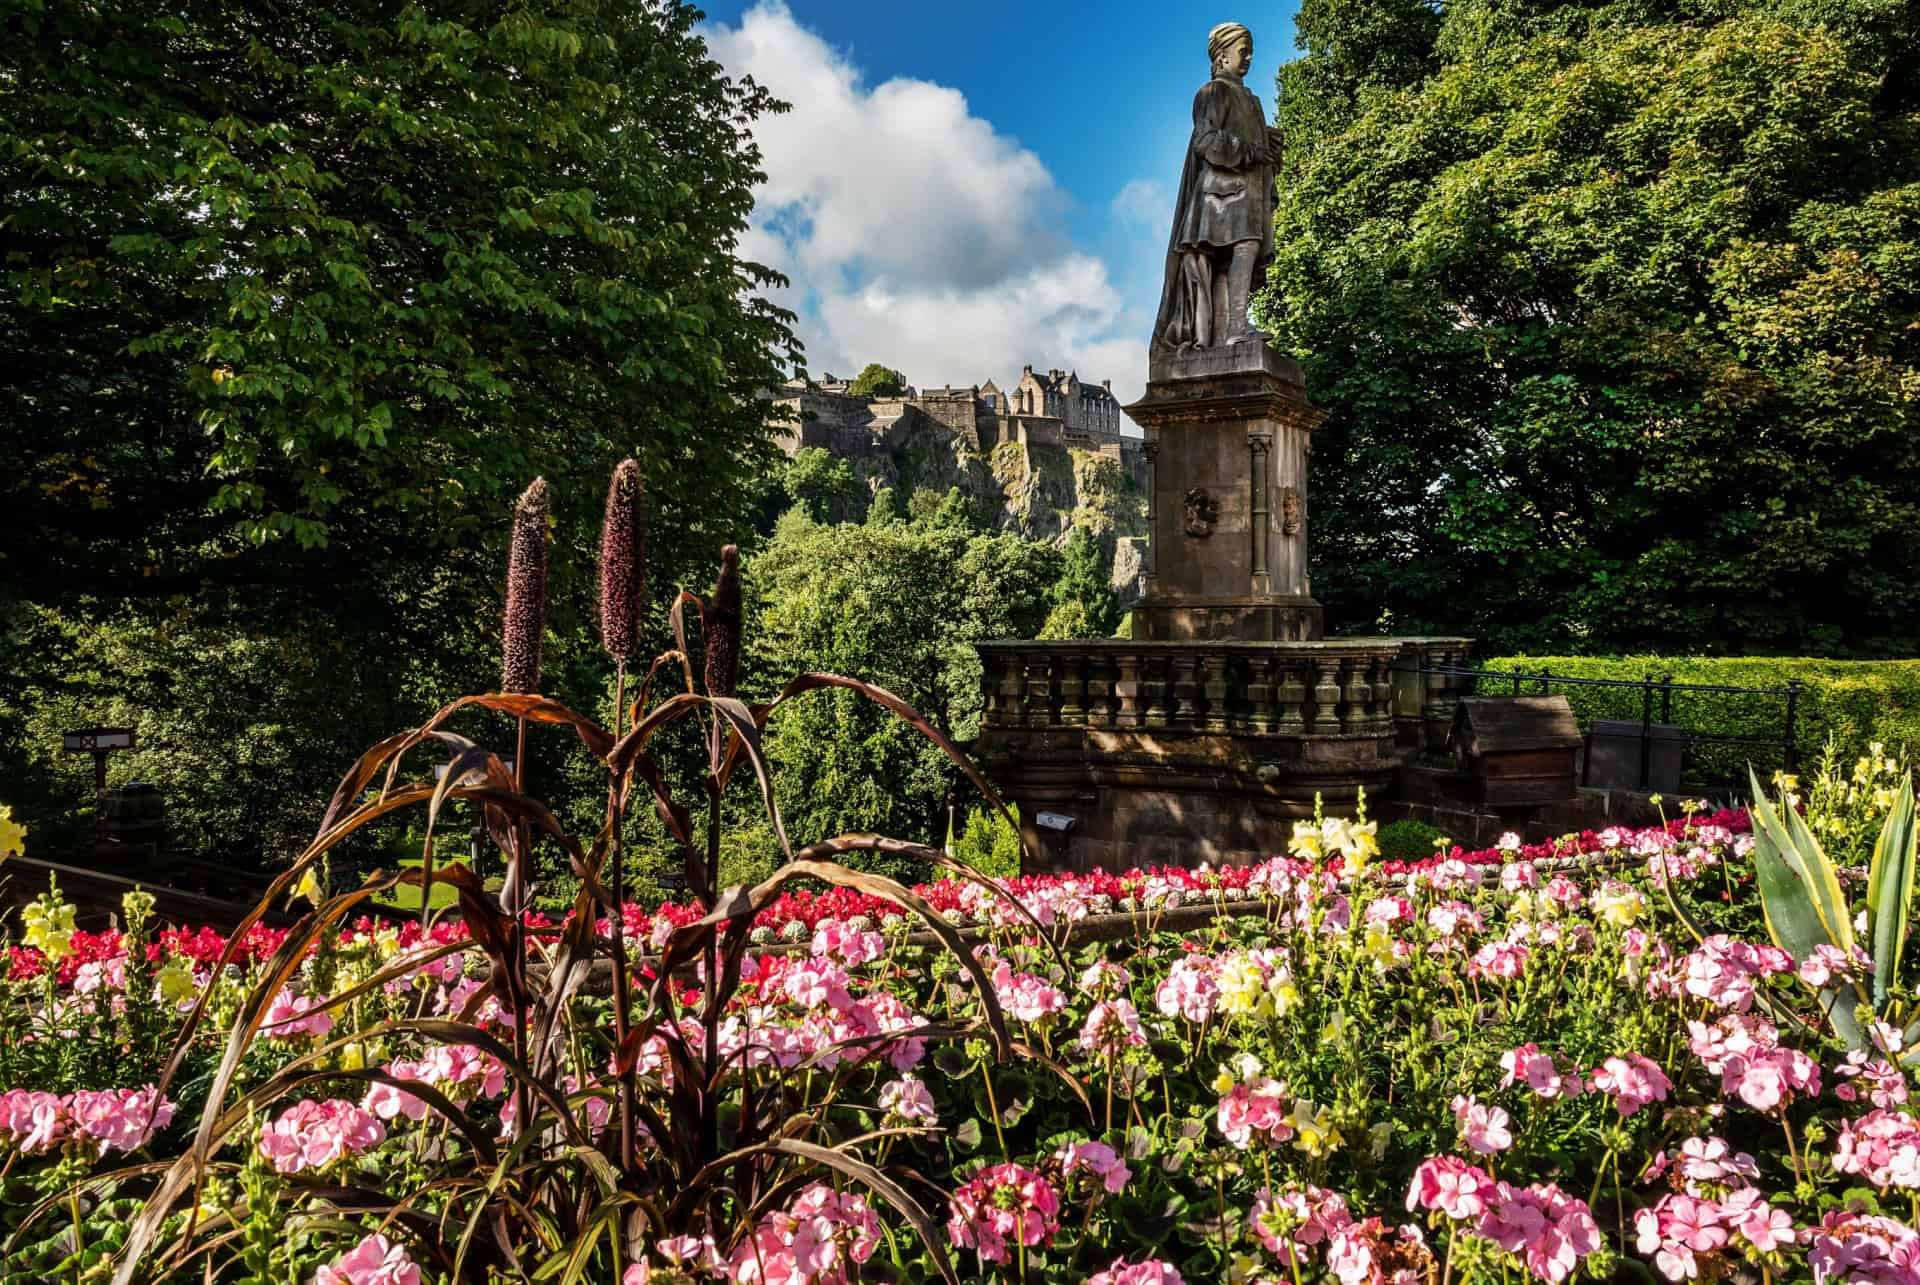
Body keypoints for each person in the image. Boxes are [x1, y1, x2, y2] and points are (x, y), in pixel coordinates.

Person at [1151, 22, 1284, 353]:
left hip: (1245, 193)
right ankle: (1235, 326)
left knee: (1239, 256)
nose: (1249, 57)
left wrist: (1268, 146)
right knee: (1244, 248)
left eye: (1251, 51)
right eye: (1243, 51)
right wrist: (1248, 150)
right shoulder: (1214, 93)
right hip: (1221, 195)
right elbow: (1205, 140)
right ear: (1222, 57)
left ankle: (1231, 328)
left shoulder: (1250, 100)